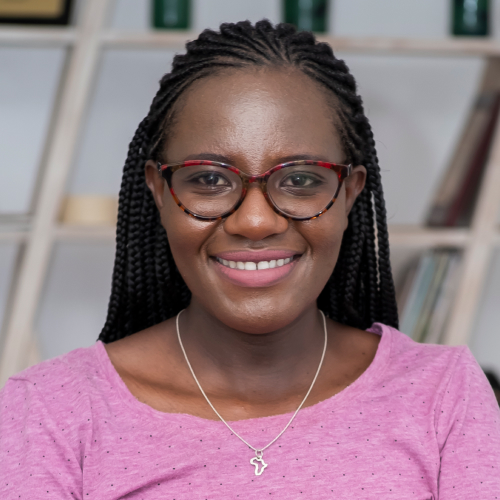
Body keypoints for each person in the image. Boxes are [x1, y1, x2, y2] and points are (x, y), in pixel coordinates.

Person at [1, 20, 499, 499]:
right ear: (159, 191)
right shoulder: (48, 410)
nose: (255, 221)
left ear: (349, 192)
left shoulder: (444, 395)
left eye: (300, 179)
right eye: (209, 179)